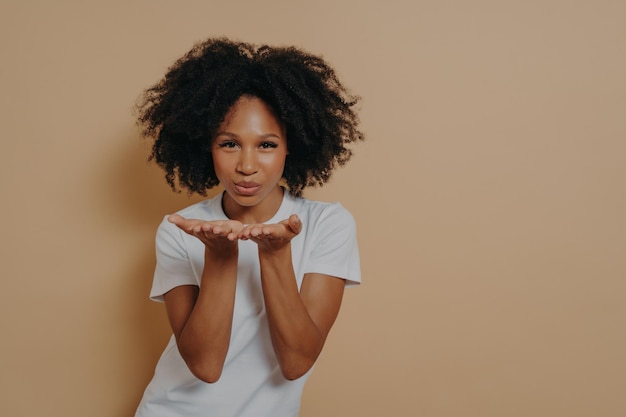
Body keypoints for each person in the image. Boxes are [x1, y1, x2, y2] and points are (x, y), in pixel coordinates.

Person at [133, 37, 364, 417]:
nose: (247, 165)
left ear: (293, 145)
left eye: (267, 145)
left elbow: (296, 362)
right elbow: (205, 367)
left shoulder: (327, 224)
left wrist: (275, 255)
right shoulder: (181, 229)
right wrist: (220, 256)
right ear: (206, 145)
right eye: (229, 143)